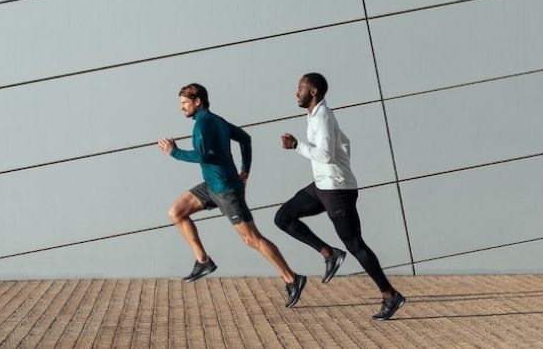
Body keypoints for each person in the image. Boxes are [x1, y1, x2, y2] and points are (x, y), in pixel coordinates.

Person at [158, 83, 306, 307]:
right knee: (176, 212)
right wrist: (245, 169)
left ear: (198, 101)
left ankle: (292, 278)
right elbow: (245, 138)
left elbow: (203, 155)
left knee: (251, 238)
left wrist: (174, 152)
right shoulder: (217, 120)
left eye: (184, 103)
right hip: (212, 185)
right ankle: (203, 261)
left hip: (227, 190)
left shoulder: (203, 124)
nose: (182, 108)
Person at [275, 73, 405, 320]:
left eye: (300, 88)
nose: (296, 92)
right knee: (283, 217)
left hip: (337, 190)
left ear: (313, 92)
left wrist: (296, 146)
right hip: (323, 186)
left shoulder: (322, 117)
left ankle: (390, 295)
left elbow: (325, 155)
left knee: (355, 244)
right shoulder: (314, 116)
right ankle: (329, 254)